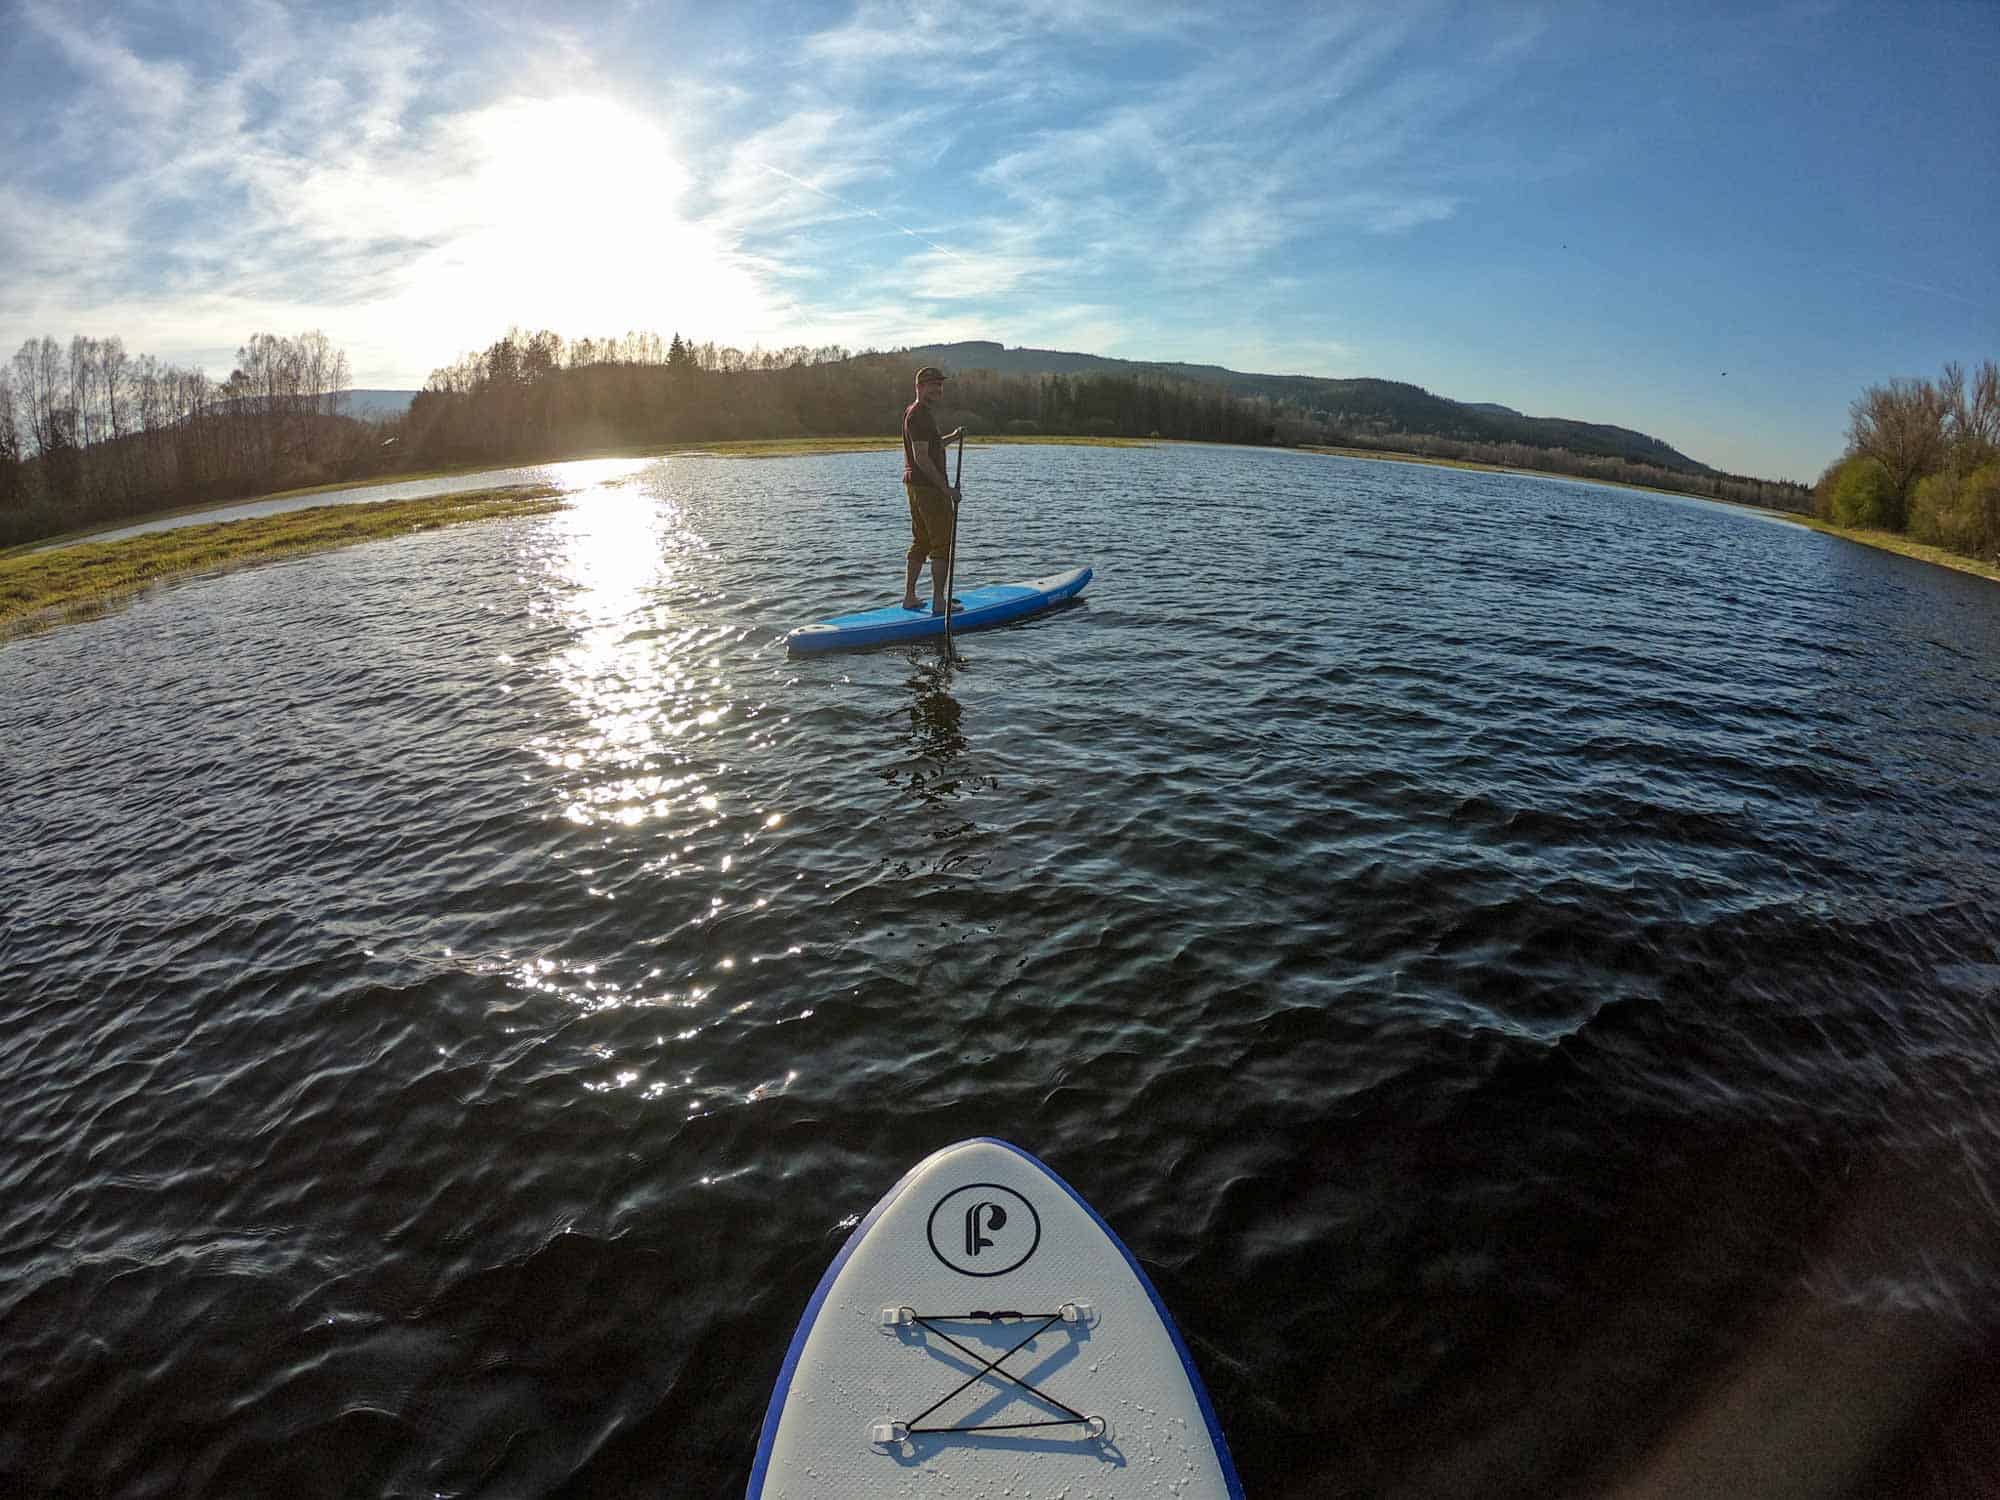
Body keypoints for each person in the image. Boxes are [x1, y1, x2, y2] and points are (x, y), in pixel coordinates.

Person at [901, 366, 964, 613]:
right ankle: (939, 602)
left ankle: (910, 598)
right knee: (942, 542)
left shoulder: (918, 413)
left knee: (922, 541)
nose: (937, 389)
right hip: (928, 488)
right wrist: (945, 489)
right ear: (919, 387)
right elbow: (921, 457)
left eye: (939, 385)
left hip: (917, 486)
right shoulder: (918, 414)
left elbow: (932, 446)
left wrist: (953, 437)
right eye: (932, 385)